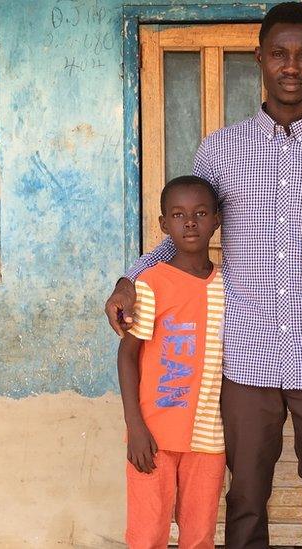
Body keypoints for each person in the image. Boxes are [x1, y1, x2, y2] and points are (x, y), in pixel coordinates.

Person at [106, 3, 302, 547]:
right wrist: (129, 279)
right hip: (244, 352)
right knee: (245, 497)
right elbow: (184, 235)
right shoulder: (221, 151)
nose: (291, 66)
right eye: (280, 53)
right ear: (259, 57)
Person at [116, 175, 226, 549]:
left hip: (209, 438)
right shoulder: (151, 283)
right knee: (148, 535)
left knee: (199, 537)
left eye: (200, 213)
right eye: (178, 215)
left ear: (216, 219)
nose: (190, 222)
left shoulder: (229, 285)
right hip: (153, 437)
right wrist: (135, 426)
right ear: (164, 225)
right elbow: (128, 354)